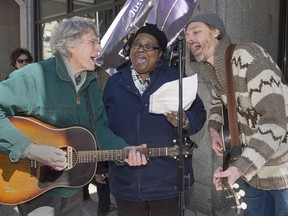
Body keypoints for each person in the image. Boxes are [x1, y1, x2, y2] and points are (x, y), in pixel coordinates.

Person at [0, 16, 147, 216]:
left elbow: (100, 130)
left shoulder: (91, 83)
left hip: (73, 187)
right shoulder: (33, 76)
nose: (99, 48)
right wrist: (31, 150)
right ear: (70, 44)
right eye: (93, 41)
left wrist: (124, 150)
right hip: (34, 189)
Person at [185, 13, 288, 216]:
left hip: (282, 171)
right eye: (187, 35)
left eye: (196, 32)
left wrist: (239, 168)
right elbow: (219, 102)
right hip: (252, 172)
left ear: (216, 32)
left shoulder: (248, 56)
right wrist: (215, 130)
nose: (189, 39)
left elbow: (275, 120)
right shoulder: (215, 68)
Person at [102, 23, 207, 216]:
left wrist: (184, 121)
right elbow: (102, 126)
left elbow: (199, 113)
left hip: (166, 182)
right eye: (136, 44)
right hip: (126, 182)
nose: (141, 49)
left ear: (160, 54)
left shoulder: (174, 79)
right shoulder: (115, 82)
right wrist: (101, 165)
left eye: (149, 46)